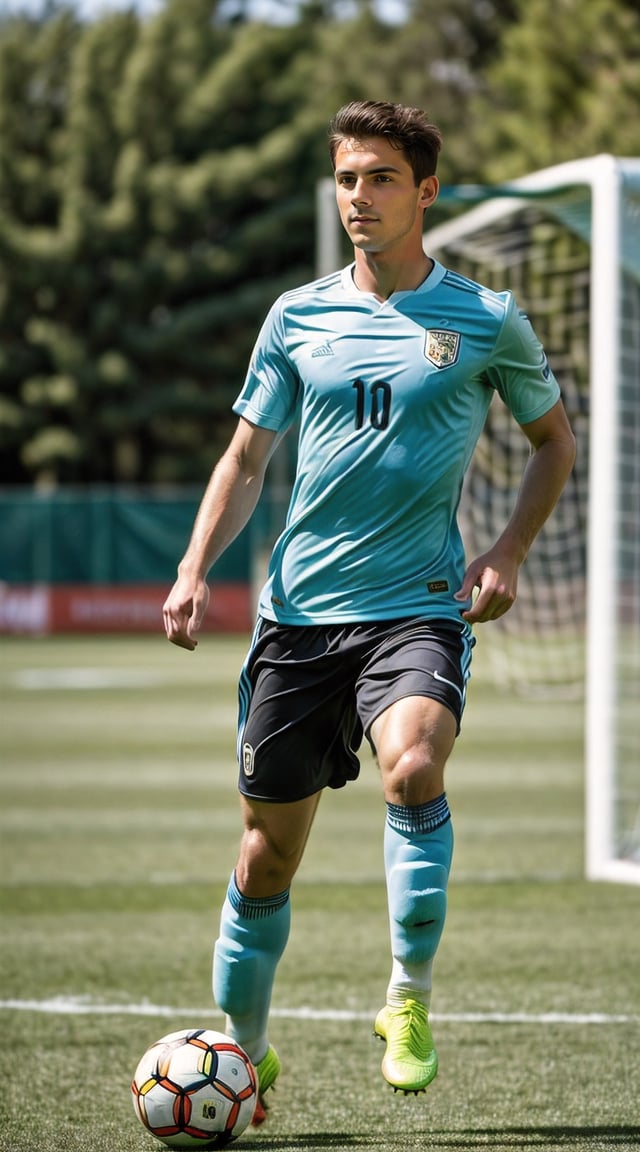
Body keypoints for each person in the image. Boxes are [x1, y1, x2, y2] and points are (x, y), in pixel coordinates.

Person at [163, 99, 576, 1119]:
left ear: (424, 191)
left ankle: (407, 999)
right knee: (265, 856)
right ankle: (245, 1057)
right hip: (298, 619)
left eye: (381, 177)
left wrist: (507, 550)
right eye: (348, 178)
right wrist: (193, 567)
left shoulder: (486, 318)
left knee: (415, 763)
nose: (359, 196)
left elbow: (554, 443)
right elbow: (246, 459)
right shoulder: (294, 317)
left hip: (417, 608)